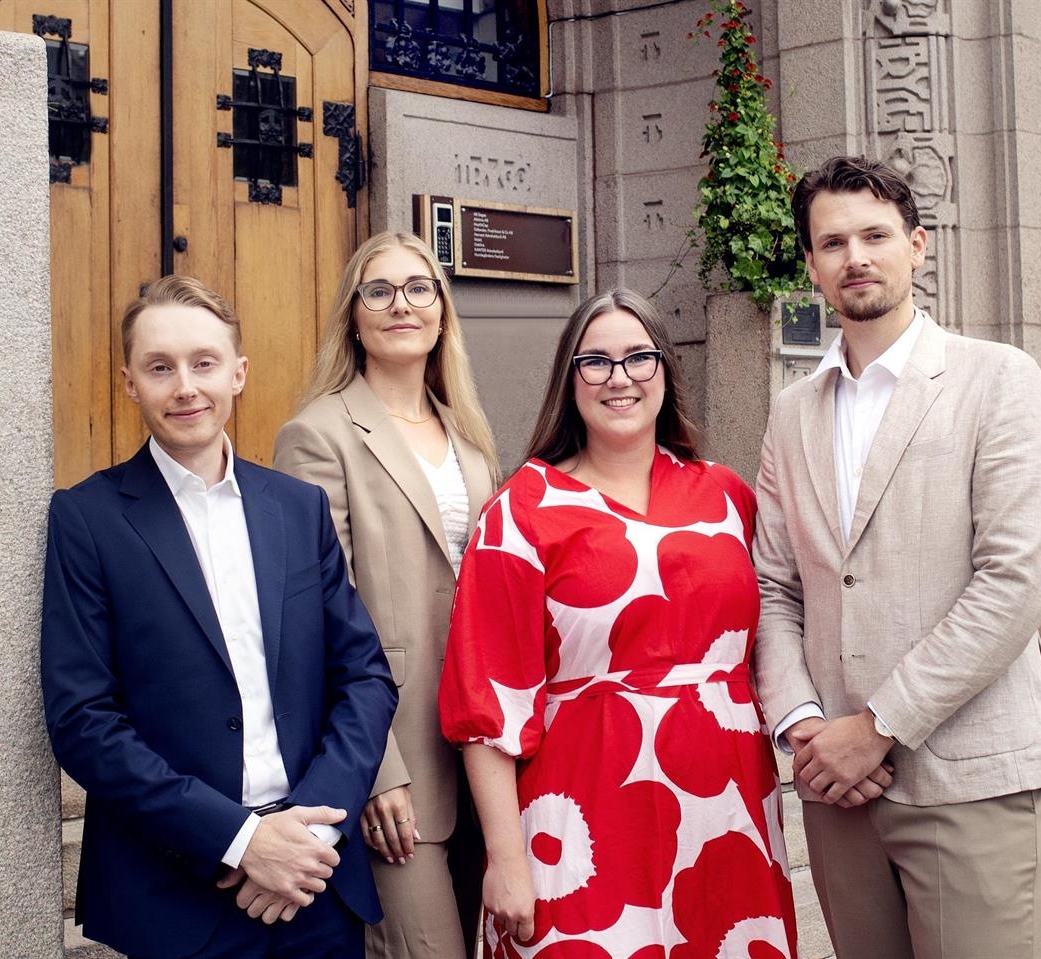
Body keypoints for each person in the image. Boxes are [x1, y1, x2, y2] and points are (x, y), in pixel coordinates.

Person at [752, 155, 1041, 959]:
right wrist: (803, 726)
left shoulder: (998, 379)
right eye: (832, 242)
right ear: (814, 266)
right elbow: (774, 586)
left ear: (918, 246)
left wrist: (882, 724)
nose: (854, 256)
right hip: (838, 788)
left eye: (874, 235)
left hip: (969, 775)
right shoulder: (791, 412)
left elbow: (1016, 581)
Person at [41, 275, 398, 959]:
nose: (185, 387)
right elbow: (83, 720)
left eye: (204, 362)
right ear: (128, 382)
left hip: (316, 882)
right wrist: (240, 840)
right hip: (177, 893)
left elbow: (365, 678)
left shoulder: (298, 508)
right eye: (159, 367)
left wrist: (310, 833)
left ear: (238, 373)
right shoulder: (86, 519)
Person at [439, 289, 797, 959]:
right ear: (568, 379)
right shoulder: (520, 511)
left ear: (665, 369)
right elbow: (488, 707)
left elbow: (778, 632)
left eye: (638, 356)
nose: (620, 376)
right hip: (582, 820)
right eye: (595, 361)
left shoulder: (726, 495)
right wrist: (506, 856)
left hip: (726, 810)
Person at [272, 231, 500, 959]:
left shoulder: (468, 434)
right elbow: (317, 618)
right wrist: (373, 771)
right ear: (354, 315)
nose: (401, 304)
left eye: (419, 287)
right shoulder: (318, 434)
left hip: (483, 742)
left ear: (441, 312)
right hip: (393, 748)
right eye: (379, 290)